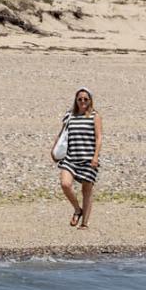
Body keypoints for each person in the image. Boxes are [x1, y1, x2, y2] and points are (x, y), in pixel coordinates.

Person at [51, 87, 102, 229]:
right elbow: (61, 134)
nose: (82, 102)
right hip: (71, 158)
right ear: (76, 100)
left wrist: (95, 157)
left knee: (87, 191)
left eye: (85, 99)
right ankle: (77, 209)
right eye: (80, 99)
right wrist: (54, 150)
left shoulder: (94, 116)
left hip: (88, 158)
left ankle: (84, 223)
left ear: (90, 100)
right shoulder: (69, 115)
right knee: (65, 184)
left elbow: (99, 138)